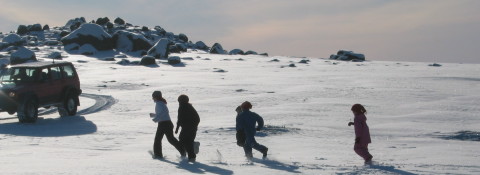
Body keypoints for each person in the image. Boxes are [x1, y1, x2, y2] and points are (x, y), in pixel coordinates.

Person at [150, 91, 185, 159]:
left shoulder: (159, 103)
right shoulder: (161, 103)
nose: (153, 99)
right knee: (170, 139)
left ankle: (158, 155)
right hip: (166, 123)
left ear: (156, 97)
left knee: (158, 139)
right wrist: (154, 115)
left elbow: (163, 113)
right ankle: (182, 150)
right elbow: (163, 113)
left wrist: (155, 119)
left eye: (153, 97)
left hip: (164, 124)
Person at [175, 94, 200, 162]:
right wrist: (194, 126)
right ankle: (192, 156)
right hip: (193, 127)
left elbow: (179, 118)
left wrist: (177, 128)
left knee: (183, 140)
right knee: (188, 141)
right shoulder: (190, 106)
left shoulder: (182, 107)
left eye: (179, 101)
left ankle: (191, 154)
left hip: (187, 127)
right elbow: (197, 118)